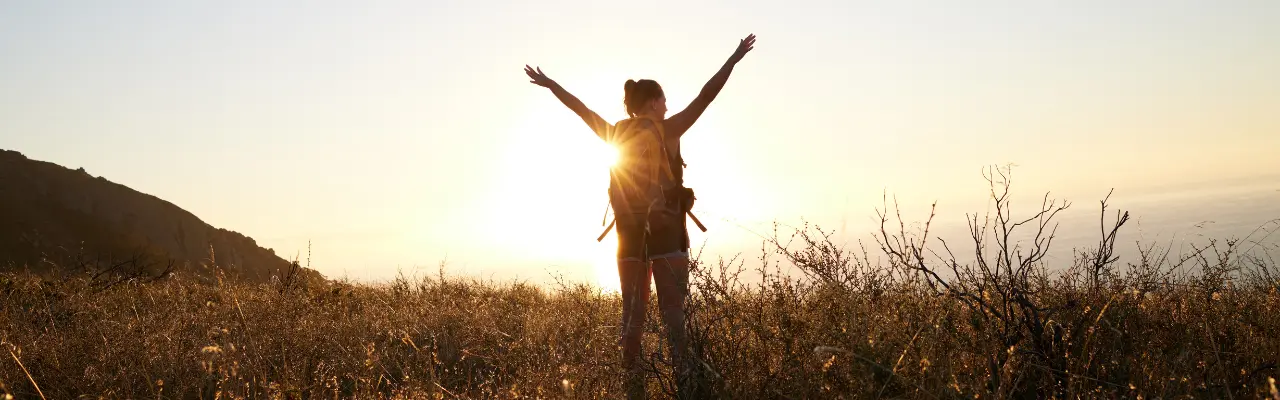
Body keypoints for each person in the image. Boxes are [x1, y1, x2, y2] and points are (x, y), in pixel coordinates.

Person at [524, 33, 755, 398]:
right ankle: (685, 388)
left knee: (631, 319)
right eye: (663, 100)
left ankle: (633, 389)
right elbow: (706, 96)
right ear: (652, 102)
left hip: (629, 236)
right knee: (674, 317)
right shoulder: (668, 130)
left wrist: (551, 84)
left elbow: (581, 110)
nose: (667, 105)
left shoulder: (616, 133)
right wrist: (734, 58)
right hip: (668, 234)